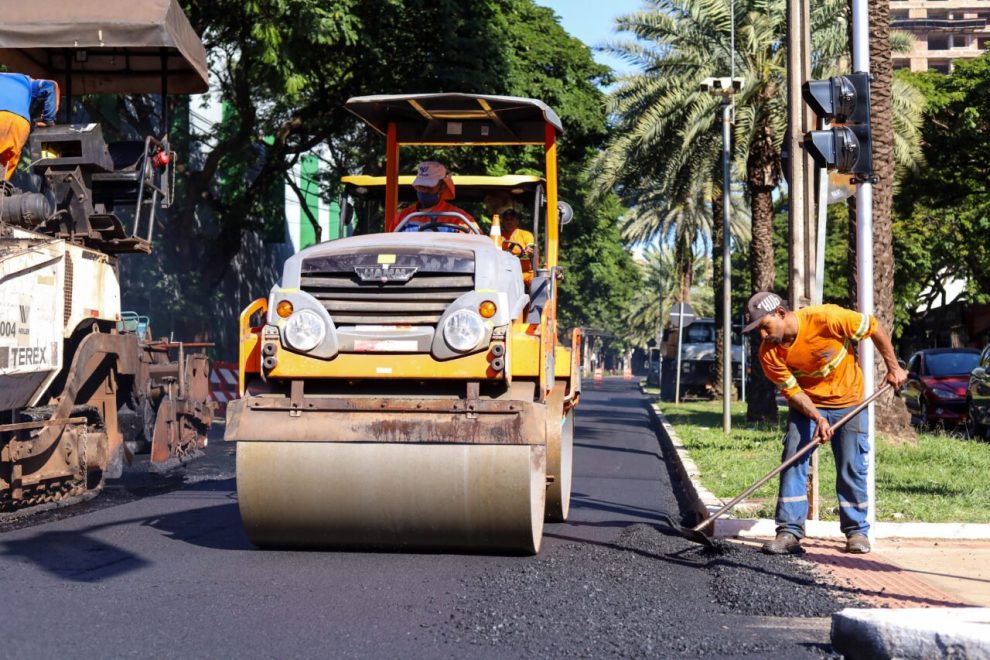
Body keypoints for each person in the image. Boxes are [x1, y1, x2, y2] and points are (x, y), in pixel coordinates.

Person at [742, 291, 907, 556]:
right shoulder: (769, 353)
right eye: (757, 330)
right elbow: (793, 392)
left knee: (851, 465)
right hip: (808, 406)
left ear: (781, 313)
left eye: (764, 326)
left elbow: (873, 327)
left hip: (849, 402)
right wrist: (817, 417)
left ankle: (857, 532)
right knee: (794, 459)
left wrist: (894, 367)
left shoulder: (826, 318)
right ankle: (789, 532)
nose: (762, 335)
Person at [391, 161, 479, 233]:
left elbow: (474, 242)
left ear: (442, 187)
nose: (424, 190)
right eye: (420, 186)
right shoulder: (402, 217)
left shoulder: (459, 219)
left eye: (428, 186)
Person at [0, 72, 59, 180]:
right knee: (6, 166)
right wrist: (48, 120)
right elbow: (51, 85)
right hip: (20, 122)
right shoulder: (27, 81)